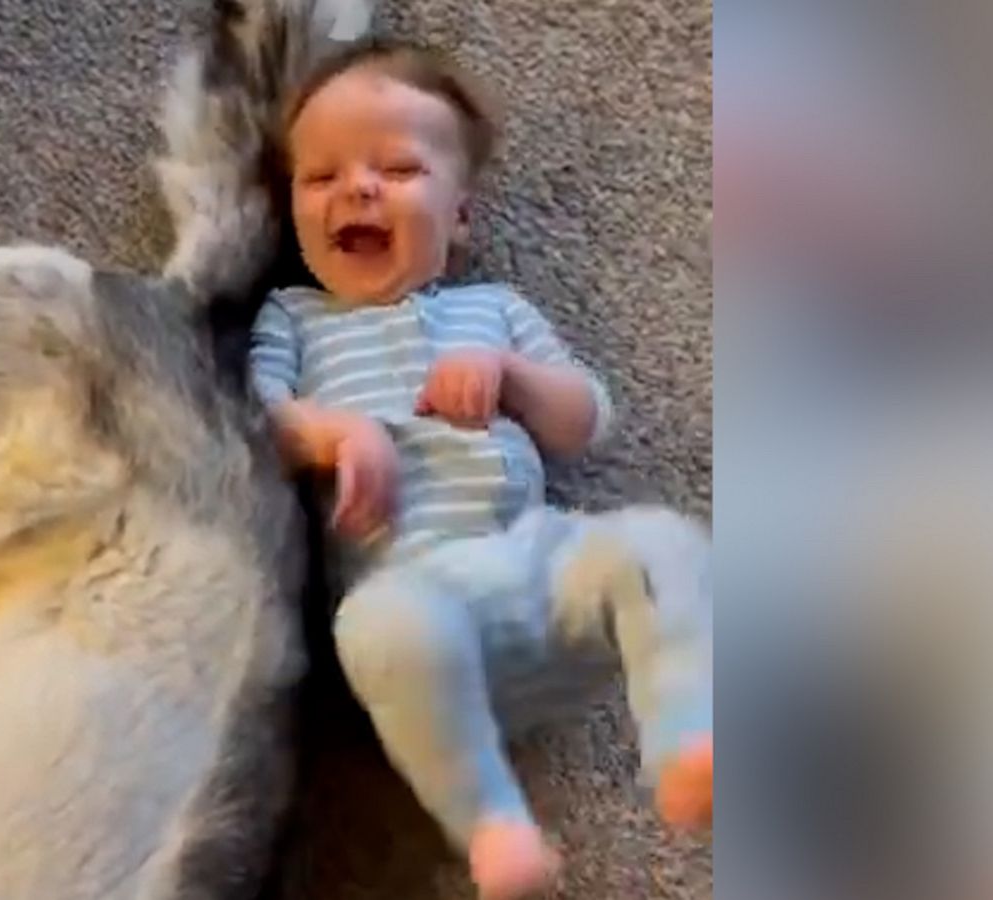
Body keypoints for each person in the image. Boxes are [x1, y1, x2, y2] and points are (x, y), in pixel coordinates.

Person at [249, 39, 714, 898]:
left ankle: (689, 733)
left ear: (461, 215)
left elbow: (586, 420)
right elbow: (250, 418)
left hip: (538, 573)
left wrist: (512, 378)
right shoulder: (294, 316)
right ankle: (495, 825)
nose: (357, 188)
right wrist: (330, 434)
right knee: (373, 628)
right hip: (414, 605)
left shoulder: (492, 310)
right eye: (321, 178)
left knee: (659, 541)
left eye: (395, 167)